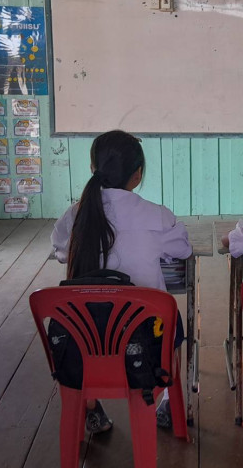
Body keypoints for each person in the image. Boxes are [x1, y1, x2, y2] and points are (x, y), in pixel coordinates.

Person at [51, 130, 191, 434]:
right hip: (144, 338)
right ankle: (168, 400)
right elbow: (183, 250)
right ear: (137, 175)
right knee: (173, 321)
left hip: (84, 336)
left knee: (91, 316)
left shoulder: (74, 215)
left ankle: (91, 408)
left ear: (93, 168)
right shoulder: (157, 216)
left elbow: (60, 251)